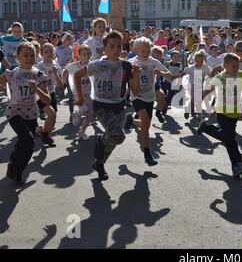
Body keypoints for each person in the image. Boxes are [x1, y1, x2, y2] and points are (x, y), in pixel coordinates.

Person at [74, 31, 141, 181]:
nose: (116, 49)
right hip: (101, 107)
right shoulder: (97, 65)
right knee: (118, 135)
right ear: (104, 49)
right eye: (112, 46)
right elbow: (77, 76)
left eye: (119, 46)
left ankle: (99, 163)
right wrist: (80, 98)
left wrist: (136, 75)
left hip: (119, 107)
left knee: (112, 139)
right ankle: (100, 141)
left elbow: (135, 90)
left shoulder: (126, 65)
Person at [1, 42, 51, 185]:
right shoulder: (12, 74)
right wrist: (3, 87)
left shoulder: (39, 75)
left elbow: (47, 100)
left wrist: (36, 89)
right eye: (25, 55)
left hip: (31, 114)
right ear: (17, 57)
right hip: (14, 113)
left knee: (28, 145)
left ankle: (18, 171)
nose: (29, 58)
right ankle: (13, 165)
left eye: (32, 55)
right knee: (28, 139)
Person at [197, 53, 242, 178]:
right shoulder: (220, 78)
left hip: (235, 112)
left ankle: (206, 127)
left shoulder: (241, 75)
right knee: (230, 139)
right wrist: (201, 97)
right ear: (224, 66)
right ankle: (235, 165)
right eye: (233, 67)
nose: (236, 69)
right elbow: (209, 90)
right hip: (221, 111)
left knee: (228, 137)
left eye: (237, 67)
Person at [126, 39, 172, 165]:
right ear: (135, 51)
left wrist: (161, 72)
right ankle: (147, 154)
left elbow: (169, 75)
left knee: (145, 125)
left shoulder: (154, 61)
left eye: (148, 51)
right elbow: (123, 77)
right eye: (143, 51)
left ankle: (131, 121)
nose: (146, 53)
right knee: (146, 121)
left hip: (150, 97)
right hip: (137, 96)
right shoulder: (131, 63)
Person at [34, 43, 63, 146]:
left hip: (52, 93)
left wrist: (55, 73)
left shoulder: (57, 67)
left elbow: (60, 85)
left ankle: (47, 135)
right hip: (41, 95)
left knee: (53, 117)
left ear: (54, 53)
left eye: (51, 51)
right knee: (51, 114)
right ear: (41, 54)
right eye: (46, 52)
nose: (49, 53)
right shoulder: (38, 66)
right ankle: (45, 134)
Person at [66, 44, 94, 141]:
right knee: (84, 109)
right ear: (79, 55)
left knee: (90, 114)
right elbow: (66, 73)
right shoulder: (74, 66)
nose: (86, 56)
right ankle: (77, 114)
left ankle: (81, 132)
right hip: (79, 93)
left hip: (90, 93)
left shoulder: (93, 65)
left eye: (88, 54)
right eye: (84, 54)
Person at [177, 51, 213, 119]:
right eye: (197, 61)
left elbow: (211, 75)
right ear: (194, 61)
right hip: (191, 86)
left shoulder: (205, 68)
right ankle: (198, 114)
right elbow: (180, 75)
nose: (199, 63)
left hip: (199, 87)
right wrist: (180, 85)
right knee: (196, 99)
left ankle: (191, 110)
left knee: (198, 99)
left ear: (203, 60)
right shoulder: (191, 68)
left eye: (201, 61)